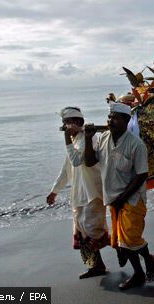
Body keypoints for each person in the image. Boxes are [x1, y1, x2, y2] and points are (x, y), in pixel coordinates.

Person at [83, 102, 154, 290]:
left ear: (126, 120)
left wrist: (123, 198)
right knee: (122, 242)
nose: (111, 121)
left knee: (129, 240)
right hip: (113, 198)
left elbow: (142, 175)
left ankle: (144, 266)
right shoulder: (103, 139)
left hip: (132, 198)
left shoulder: (136, 144)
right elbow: (90, 161)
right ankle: (144, 267)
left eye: (116, 118)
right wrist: (87, 139)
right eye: (109, 117)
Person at [47, 107, 109, 279]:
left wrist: (67, 140)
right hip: (80, 195)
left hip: (93, 193)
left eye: (66, 124)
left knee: (93, 230)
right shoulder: (75, 142)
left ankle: (126, 250)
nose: (65, 128)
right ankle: (97, 266)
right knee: (83, 232)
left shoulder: (88, 140)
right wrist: (54, 191)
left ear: (76, 124)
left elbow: (75, 161)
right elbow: (66, 171)